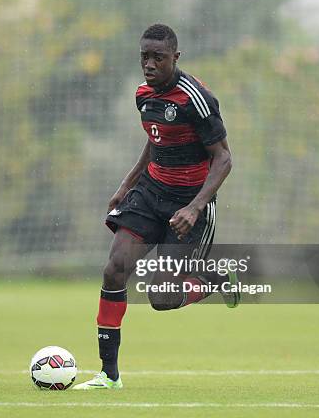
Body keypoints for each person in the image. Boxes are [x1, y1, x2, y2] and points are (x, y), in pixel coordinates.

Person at [73, 24, 239, 390]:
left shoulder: (196, 99)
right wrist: (126, 184)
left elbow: (224, 159)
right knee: (115, 269)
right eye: (144, 57)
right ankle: (108, 375)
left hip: (190, 202)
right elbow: (154, 140)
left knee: (161, 298)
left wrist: (195, 208)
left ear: (175, 58)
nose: (149, 64)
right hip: (150, 192)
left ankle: (216, 278)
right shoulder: (143, 95)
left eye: (157, 58)